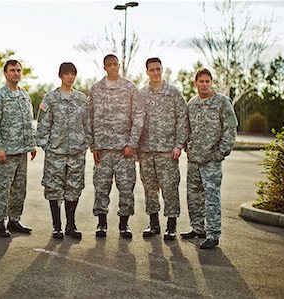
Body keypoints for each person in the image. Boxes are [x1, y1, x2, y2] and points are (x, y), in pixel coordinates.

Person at [181, 68, 238, 249]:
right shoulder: (192, 103)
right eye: (201, 81)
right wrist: (187, 148)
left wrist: (221, 153)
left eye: (207, 81)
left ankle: (213, 234)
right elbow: (186, 128)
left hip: (212, 160)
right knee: (193, 195)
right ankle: (198, 229)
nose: (204, 85)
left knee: (212, 197)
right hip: (194, 160)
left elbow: (230, 129)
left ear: (211, 82)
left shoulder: (222, 102)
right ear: (195, 83)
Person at [89, 54, 144, 239]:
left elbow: (138, 117)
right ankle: (101, 223)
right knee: (101, 188)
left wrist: (132, 144)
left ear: (119, 66)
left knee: (126, 188)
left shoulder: (129, 88)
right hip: (103, 150)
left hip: (124, 151)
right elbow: (90, 118)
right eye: (109, 65)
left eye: (116, 64)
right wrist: (93, 146)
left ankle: (124, 225)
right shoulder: (96, 90)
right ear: (104, 67)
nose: (113, 67)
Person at [36, 62, 91, 239]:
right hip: (55, 153)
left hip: (76, 153)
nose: (70, 77)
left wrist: (85, 144)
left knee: (74, 189)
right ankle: (57, 226)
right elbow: (43, 124)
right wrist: (46, 146)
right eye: (67, 74)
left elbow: (87, 124)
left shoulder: (82, 99)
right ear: (60, 76)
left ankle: (71, 225)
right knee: (53, 189)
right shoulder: (50, 99)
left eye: (73, 74)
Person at [138, 58, 189, 240]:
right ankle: (153, 224)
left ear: (162, 70)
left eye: (158, 69)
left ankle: (171, 226)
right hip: (146, 152)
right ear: (147, 72)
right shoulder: (141, 94)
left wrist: (178, 144)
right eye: (152, 70)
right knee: (150, 190)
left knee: (170, 189)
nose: (155, 73)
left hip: (168, 152)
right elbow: (136, 121)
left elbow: (183, 119)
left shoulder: (173, 93)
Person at [0, 59, 37, 238]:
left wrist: (32, 145)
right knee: (3, 188)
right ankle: (0, 223)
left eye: (18, 70)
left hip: (21, 151)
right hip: (5, 153)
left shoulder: (25, 96)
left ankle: (14, 220)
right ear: (5, 74)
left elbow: (29, 123)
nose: (16, 73)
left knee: (19, 188)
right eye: (12, 70)